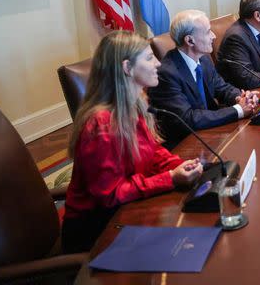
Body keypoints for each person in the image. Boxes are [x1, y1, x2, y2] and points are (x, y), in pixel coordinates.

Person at [62, 31, 204, 252]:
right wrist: (169, 179)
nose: (158, 63)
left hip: (126, 210)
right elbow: (110, 196)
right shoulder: (101, 125)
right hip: (96, 230)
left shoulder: (135, 103)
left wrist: (177, 165)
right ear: (127, 68)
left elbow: (152, 151)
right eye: (149, 58)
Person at [147, 10, 259, 149]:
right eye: (207, 32)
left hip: (211, 135)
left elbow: (221, 88)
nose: (214, 36)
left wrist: (241, 97)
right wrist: (238, 110)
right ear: (189, 40)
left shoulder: (203, 59)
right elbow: (188, 119)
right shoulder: (166, 74)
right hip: (186, 146)